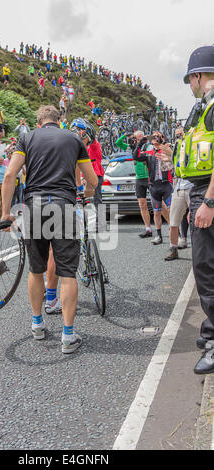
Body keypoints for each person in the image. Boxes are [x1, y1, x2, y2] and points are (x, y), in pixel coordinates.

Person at [1, 105, 98, 354]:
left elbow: (10, 175)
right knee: (68, 272)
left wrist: (5, 213)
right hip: (63, 204)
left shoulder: (27, 137)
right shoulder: (73, 138)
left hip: (33, 206)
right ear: (59, 120)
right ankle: (67, 335)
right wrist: (86, 192)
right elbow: (93, 179)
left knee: (36, 270)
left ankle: (37, 324)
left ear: (39, 121)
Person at [164, 46, 214, 374]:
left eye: (190, 79)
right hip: (200, 188)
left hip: (208, 191)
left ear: (197, 75)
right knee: (205, 266)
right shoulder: (203, 108)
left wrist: (209, 200)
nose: (190, 85)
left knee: (207, 269)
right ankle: (211, 330)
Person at [159, 127, 194, 261]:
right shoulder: (176, 147)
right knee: (173, 222)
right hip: (178, 188)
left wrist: (172, 153)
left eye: (180, 134)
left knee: (197, 223)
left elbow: (186, 161)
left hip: (192, 187)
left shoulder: (190, 145)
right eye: (176, 135)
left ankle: (199, 251)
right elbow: (166, 168)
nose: (178, 137)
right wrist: (165, 158)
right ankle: (173, 249)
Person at [133, 132, 173, 245]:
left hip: (166, 184)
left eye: (157, 136)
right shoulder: (149, 152)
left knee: (170, 210)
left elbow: (175, 157)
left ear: (162, 138)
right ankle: (159, 236)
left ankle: (177, 234)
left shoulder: (168, 148)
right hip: (154, 185)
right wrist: (140, 143)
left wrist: (163, 144)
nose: (155, 138)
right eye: (153, 136)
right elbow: (135, 157)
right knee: (156, 213)